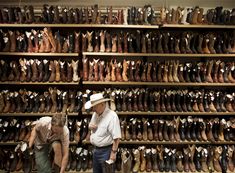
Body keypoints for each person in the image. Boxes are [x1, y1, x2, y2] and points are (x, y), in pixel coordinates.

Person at [85, 92, 121, 173]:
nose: (93, 109)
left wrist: (113, 153)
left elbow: (116, 137)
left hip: (106, 151)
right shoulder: (95, 114)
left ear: (102, 104)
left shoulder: (112, 116)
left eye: (95, 106)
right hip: (95, 150)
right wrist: (90, 127)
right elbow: (92, 126)